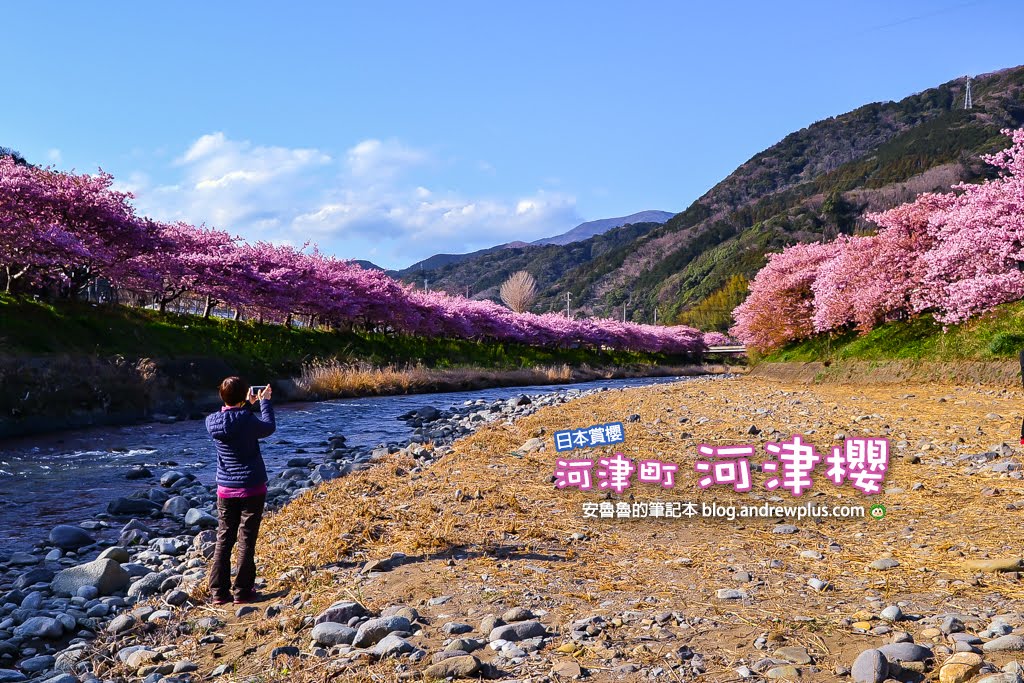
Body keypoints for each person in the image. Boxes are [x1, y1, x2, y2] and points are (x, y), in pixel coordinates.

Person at [205, 377, 275, 605]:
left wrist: (245, 404)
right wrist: (264, 402)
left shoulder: (212, 422)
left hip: (225, 489)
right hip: (251, 487)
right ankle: (243, 591)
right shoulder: (247, 420)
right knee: (246, 539)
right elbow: (268, 427)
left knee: (224, 539)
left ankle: (218, 592)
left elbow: (230, 420)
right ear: (245, 395)